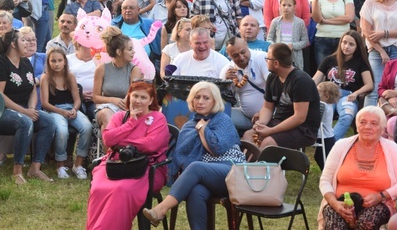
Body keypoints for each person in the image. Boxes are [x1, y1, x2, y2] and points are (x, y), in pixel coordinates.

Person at [143, 82, 245, 228]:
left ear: (215, 101)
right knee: (195, 191)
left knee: (196, 167)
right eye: (197, 97)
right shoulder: (189, 125)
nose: (200, 101)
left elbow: (217, 148)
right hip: (207, 175)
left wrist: (204, 129)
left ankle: (161, 209)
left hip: (231, 171)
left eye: (206, 98)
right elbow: (182, 155)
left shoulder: (223, 120)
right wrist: (200, 127)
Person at [86, 81, 169, 230]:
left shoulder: (158, 118)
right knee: (98, 188)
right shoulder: (119, 117)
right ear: (129, 97)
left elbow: (150, 145)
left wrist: (121, 141)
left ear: (150, 100)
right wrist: (131, 123)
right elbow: (108, 139)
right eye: (135, 96)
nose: (138, 100)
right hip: (115, 164)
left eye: (143, 97)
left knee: (121, 189)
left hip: (146, 168)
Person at [318, 106, 397, 230]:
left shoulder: (391, 147)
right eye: (363, 122)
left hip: (379, 204)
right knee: (335, 225)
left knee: (367, 222)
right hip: (340, 203)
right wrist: (334, 203)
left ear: (382, 128)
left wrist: (380, 197)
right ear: (357, 126)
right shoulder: (341, 145)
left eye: (374, 123)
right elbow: (325, 180)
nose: (367, 127)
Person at [0, 29, 56, 184]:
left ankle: (35, 168)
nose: (28, 44)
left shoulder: (25, 62)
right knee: (25, 122)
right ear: (13, 44)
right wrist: (24, 112)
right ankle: (17, 170)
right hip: (0, 112)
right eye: (23, 40)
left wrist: (31, 109)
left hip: (23, 109)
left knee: (48, 121)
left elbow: (32, 89)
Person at [243, 42, 320, 150]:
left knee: (268, 142)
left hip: (303, 129)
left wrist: (270, 131)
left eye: (267, 59)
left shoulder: (301, 81)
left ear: (276, 63)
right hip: (279, 121)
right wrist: (261, 124)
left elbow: (299, 118)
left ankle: (258, 166)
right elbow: (267, 107)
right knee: (248, 135)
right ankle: (246, 166)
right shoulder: (272, 77)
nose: (265, 61)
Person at [41, 47, 92, 180]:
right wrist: (61, 112)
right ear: (48, 62)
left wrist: (74, 109)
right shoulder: (45, 78)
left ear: (65, 62)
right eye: (53, 61)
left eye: (59, 60)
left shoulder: (70, 76)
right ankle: (60, 165)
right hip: (54, 109)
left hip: (70, 108)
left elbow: (77, 99)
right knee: (63, 131)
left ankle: (78, 164)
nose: (56, 64)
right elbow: (45, 103)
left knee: (87, 127)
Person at [313, 31, 373, 141]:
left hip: (348, 96)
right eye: (344, 42)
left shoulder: (360, 63)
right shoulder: (329, 60)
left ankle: (331, 143)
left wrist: (356, 93)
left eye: (351, 44)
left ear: (357, 47)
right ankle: (320, 140)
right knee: (318, 114)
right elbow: (315, 80)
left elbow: (369, 84)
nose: (346, 46)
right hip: (327, 96)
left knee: (347, 115)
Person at [267, 0, 309, 70]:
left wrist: (293, 45)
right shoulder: (275, 21)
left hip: (294, 58)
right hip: (278, 56)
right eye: (284, 5)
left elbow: (305, 41)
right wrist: (276, 47)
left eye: (289, 5)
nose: (286, 8)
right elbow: (269, 38)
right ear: (280, 6)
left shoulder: (300, 23)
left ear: (294, 7)